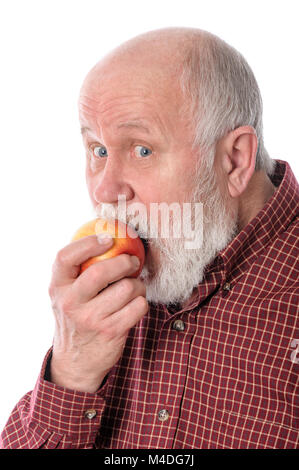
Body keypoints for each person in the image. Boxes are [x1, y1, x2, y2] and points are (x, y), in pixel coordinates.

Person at [0, 27, 298, 449]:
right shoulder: (107, 300)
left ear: (234, 160)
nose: (105, 192)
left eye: (142, 150)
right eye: (99, 151)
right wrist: (72, 372)